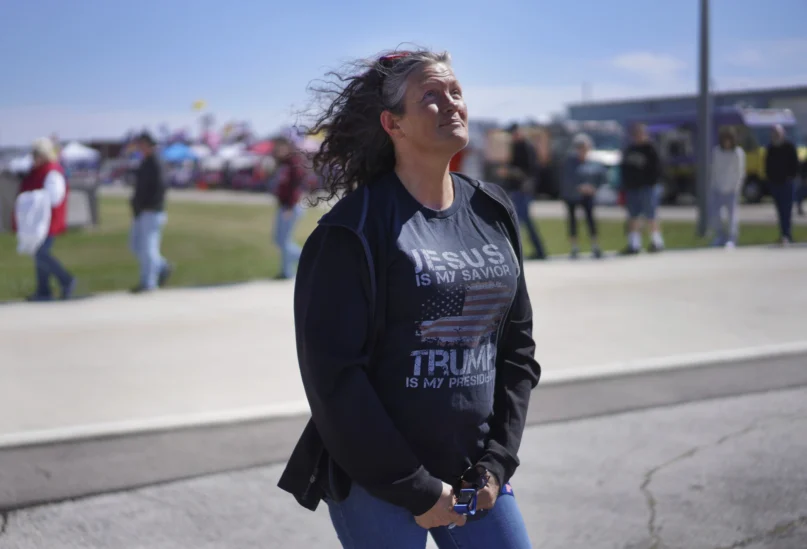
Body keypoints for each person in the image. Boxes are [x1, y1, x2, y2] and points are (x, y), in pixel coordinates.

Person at [277, 49, 540, 549]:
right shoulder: (351, 231)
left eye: (456, 92)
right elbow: (333, 378)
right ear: (392, 123)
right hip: (379, 479)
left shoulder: (491, 209)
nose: (452, 105)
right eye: (431, 97)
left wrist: (497, 462)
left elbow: (517, 350)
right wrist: (416, 490)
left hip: (476, 474)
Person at [15, 137, 75, 301]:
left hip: (47, 221)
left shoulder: (52, 171)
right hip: (36, 221)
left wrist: (31, 198)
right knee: (38, 253)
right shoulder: (36, 171)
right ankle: (44, 290)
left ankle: (66, 280)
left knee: (41, 253)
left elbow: (54, 197)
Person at [130, 132, 171, 293]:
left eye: (142, 144)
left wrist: (150, 204)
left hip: (151, 211)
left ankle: (149, 282)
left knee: (148, 248)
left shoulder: (156, 162)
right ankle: (162, 266)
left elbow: (161, 187)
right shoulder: (145, 162)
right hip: (142, 211)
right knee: (136, 245)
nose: (140, 147)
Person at [497, 124, 546, 259]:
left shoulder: (527, 147)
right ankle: (536, 251)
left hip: (524, 189)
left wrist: (510, 172)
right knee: (521, 220)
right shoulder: (515, 146)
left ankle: (533, 251)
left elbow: (530, 171)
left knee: (521, 221)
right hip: (517, 188)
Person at [620, 123, 664, 254]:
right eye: (635, 134)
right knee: (633, 216)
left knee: (651, 215)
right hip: (633, 188)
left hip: (648, 187)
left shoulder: (651, 149)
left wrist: (651, 182)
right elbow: (624, 168)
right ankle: (634, 244)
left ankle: (657, 242)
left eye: (640, 133)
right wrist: (626, 184)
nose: (638, 136)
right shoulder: (630, 150)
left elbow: (658, 169)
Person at [560, 133, 603, 259]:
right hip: (572, 195)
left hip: (588, 196)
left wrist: (593, 188)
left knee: (591, 220)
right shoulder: (569, 162)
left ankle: (595, 246)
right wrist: (579, 187)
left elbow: (600, 177)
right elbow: (567, 178)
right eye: (579, 147)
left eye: (584, 147)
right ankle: (574, 247)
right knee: (572, 221)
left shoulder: (593, 162)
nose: (582, 150)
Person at [270, 136, 306, 279]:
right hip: (284, 206)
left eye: (281, 147)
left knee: (284, 242)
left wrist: (290, 206)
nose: (278, 150)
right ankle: (288, 270)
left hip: (291, 207)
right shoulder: (282, 163)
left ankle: (299, 264)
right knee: (279, 240)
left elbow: (296, 187)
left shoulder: (294, 163)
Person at [708, 127, 745, 249]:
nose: (727, 142)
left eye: (729, 139)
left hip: (732, 190)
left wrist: (736, 187)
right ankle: (720, 236)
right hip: (718, 188)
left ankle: (731, 238)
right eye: (725, 139)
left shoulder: (738, 153)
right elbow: (713, 170)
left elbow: (740, 172)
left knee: (732, 216)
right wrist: (713, 186)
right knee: (716, 215)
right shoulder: (717, 152)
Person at [765, 125, 800, 244]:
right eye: (773, 134)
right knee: (779, 211)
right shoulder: (770, 148)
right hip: (775, 184)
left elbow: (795, 164)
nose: (775, 136)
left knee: (787, 210)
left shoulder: (789, 147)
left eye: (777, 133)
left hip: (787, 183)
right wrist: (769, 180)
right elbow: (767, 165)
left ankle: (787, 234)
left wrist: (791, 177)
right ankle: (783, 234)